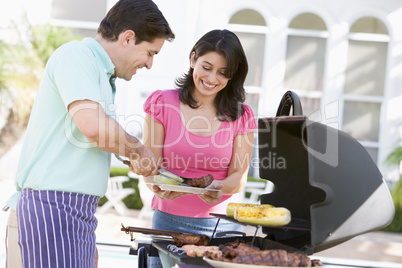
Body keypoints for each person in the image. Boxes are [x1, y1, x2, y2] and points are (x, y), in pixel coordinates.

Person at [3, 0, 175, 267]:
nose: (150, 64)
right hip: (51, 211)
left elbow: (88, 142)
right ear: (128, 38)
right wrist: (138, 150)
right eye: (150, 53)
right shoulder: (76, 56)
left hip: (73, 214)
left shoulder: (102, 74)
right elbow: (94, 127)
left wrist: (86, 236)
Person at [143, 29, 257, 267]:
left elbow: (238, 177)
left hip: (221, 226)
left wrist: (218, 187)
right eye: (207, 67)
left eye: (223, 73)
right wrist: (156, 186)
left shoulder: (242, 116)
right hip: (167, 222)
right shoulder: (162, 103)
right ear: (193, 59)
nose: (212, 78)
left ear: (232, 76)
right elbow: (150, 166)